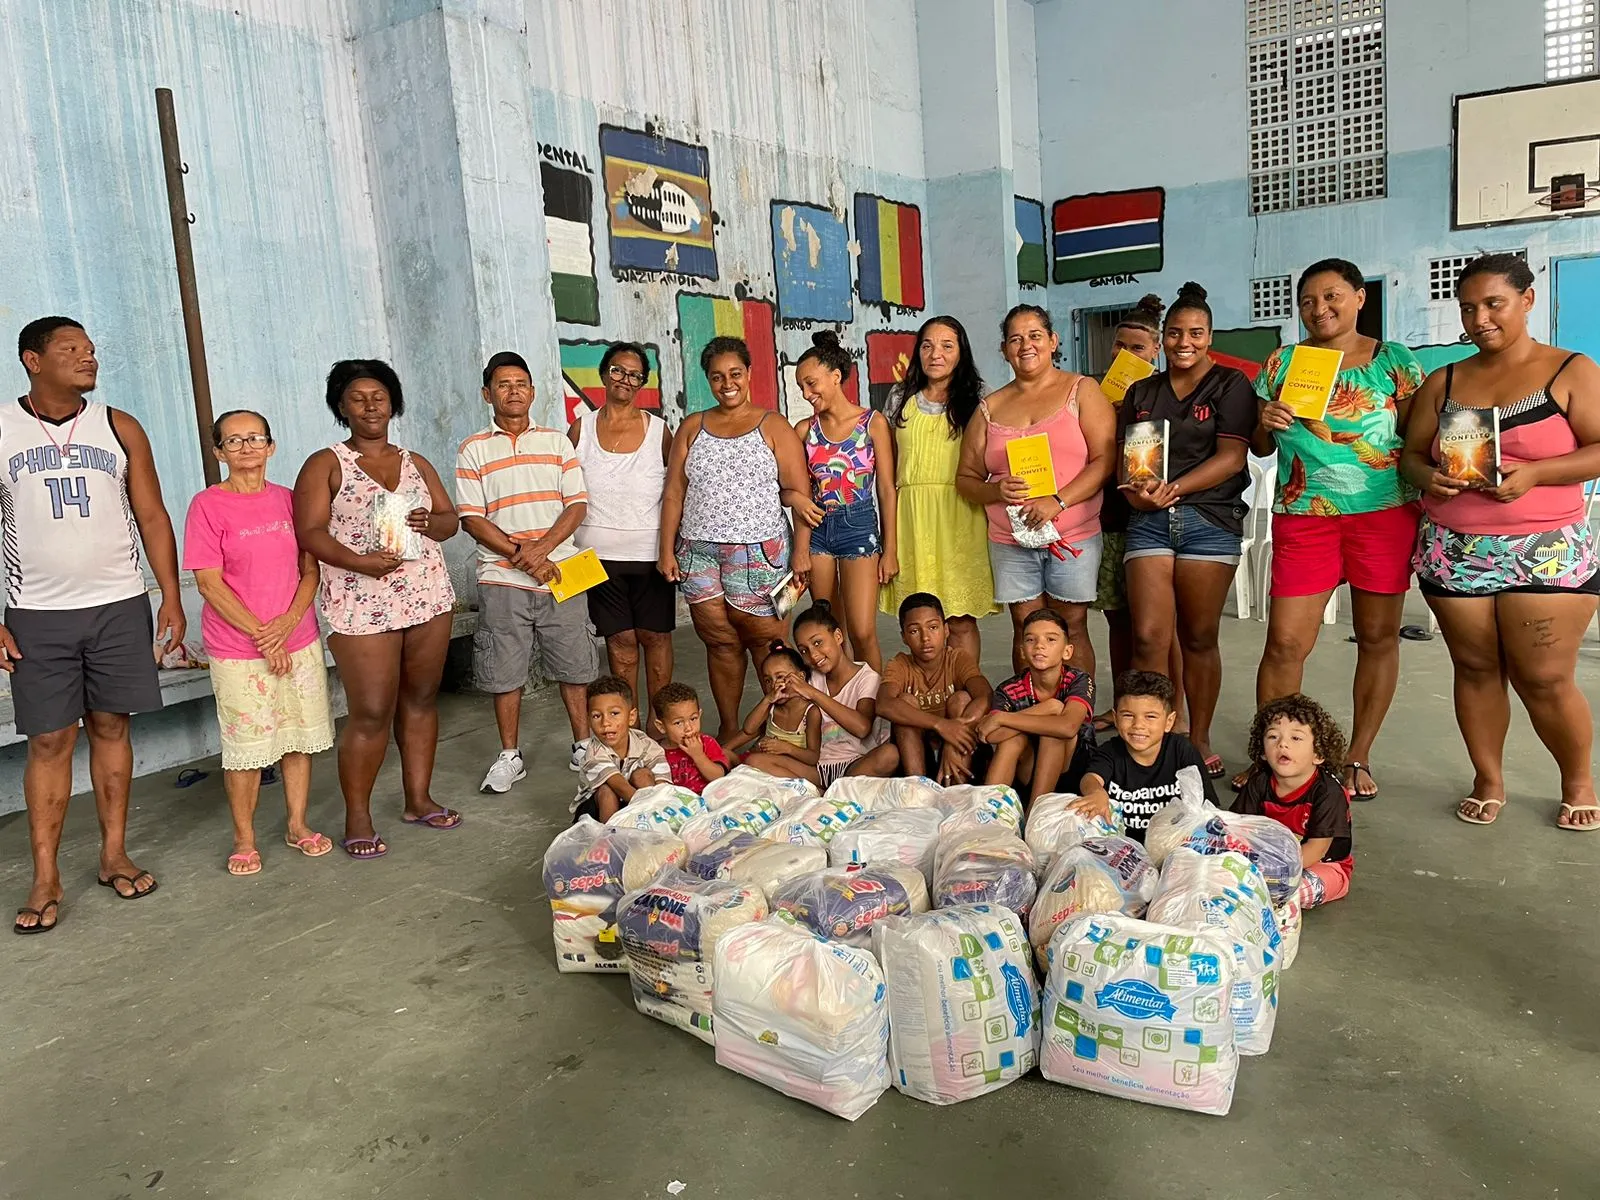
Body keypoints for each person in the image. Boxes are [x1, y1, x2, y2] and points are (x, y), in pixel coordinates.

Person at [1400, 253, 1600, 831]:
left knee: (1544, 677)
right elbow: (1412, 457)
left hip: (1546, 549)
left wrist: (1537, 473)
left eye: (1495, 303)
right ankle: (1488, 777)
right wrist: (1426, 476)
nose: (1480, 318)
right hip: (1455, 548)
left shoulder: (1570, 370)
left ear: (1528, 301)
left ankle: (1578, 779)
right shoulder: (1447, 380)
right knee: (1476, 666)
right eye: (1469, 308)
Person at [5, 317, 185, 932]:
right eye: (70, 350)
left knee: (112, 726)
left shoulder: (118, 425)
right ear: (32, 359)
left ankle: (113, 852)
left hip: (118, 604)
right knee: (51, 741)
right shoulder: (2, 429)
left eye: (90, 350)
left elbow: (153, 514)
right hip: (35, 613)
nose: (87, 358)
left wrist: (170, 594)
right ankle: (45, 874)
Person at [1244, 259, 1425, 800]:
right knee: (1284, 643)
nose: (1319, 309)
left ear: (1359, 298)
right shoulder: (1282, 363)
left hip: (1384, 514)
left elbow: (1417, 439)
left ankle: (1356, 756)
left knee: (1376, 639)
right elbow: (1258, 447)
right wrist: (1265, 422)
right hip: (1305, 515)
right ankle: (1271, 758)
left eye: (1332, 297)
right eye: (1307, 301)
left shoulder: (1393, 361)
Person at [293, 359, 460, 859]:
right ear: (341, 407)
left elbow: (451, 521)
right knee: (370, 711)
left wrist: (433, 521)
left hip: (426, 592)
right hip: (360, 599)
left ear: (393, 403)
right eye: (358, 398)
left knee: (421, 699)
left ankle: (417, 798)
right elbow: (310, 532)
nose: (370, 405)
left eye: (379, 396)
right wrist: (360, 563)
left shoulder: (416, 461)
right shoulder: (325, 463)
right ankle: (358, 816)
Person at [183, 410, 334, 875]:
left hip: (298, 638)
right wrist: (263, 636)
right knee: (245, 745)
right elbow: (209, 583)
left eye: (255, 438)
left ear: (271, 446)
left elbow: (311, 571)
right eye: (233, 441)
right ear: (218, 452)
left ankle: (297, 825)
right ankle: (244, 839)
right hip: (238, 648)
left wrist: (286, 626)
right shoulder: (207, 505)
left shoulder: (292, 500)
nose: (246, 447)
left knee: (297, 738)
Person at [1120, 283, 1256, 779]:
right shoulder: (1142, 392)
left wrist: (1172, 488)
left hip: (1210, 521)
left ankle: (1196, 737)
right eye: (1175, 333)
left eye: (1195, 333)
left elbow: (1231, 457)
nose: (1184, 342)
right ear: (1162, 337)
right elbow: (1133, 467)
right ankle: (1154, 736)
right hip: (1149, 523)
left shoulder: (1231, 384)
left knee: (1198, 636)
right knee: (1150, 636)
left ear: (1209, 336)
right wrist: (1141, 494)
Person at [658, 336, 818, 741]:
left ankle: (778, 733)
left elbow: (799, 495)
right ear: (707, 381)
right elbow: (675, 491)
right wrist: (666, 549)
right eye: (717, 377)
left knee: (768, 643)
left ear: (748, 374)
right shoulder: (693, 426)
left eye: (734, 374)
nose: (726, 383)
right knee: (720, 642)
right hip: (698, 552)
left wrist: (801, 552)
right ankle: (730, 731)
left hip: (761, 552)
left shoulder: (774, 426)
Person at [459, 350, 596, 794]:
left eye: (521, 383)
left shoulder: (557, 441)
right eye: (503, 384)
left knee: (575, 663)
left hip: (564, 570)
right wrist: (525, 554)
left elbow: (576, 505)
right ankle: (509, 755)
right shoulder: (473, 448)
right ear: (487, 393)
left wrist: (544, 549)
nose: (513, 391)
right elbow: (472, 518)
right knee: (505, 668)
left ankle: (583, 745)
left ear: (534, 391)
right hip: (501, 577)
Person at [957, 304, 1116, 677]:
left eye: (1034, 336)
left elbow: (1104, 461)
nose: (1025, 345)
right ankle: (1028, 715)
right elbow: (965, 479)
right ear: (1004, 349)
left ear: (1053, 341)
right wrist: (996, 492)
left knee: (1071, 628)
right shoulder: (989, 408)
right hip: (1011, 540)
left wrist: (1057, 501)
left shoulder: (1081, 390)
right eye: (1015, 339)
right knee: (1027, 632)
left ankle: (1077, 720)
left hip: (1071, 535)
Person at [1091, 297, 1185, 733]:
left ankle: (1171, 710)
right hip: (1108, 518)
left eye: (1138, 348)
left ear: (1157, 352)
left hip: (1154, 521)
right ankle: (1122, 704)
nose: (1126, 356)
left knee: (1163, 628)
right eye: (1119, 346)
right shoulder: (1094, 392)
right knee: (1118, 619)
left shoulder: (1161, 395)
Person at [567, 343, 675, 726]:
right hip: (594, 557)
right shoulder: (580, 428)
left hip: (650, 553)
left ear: (642, 382)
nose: (625, 380)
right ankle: (628, 727)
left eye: (634, 375)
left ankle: (660, 727)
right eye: (618, 371)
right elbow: (564, 490)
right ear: (603, 373)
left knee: (656, 639)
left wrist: (672, 548)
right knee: (620, 642)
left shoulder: (659, 431)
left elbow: (677, 490)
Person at [880, 315, 996, 665]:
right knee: (920, 619)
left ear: (961, 352)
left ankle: (964, 694)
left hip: (960, 516)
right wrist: (889, 543)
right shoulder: (901, 397)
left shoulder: (980, 398)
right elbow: (888, 471)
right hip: (912, 517)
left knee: (959, 619)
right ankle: (932, 698)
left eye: (947, 345)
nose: (936, 354)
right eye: (927, 345)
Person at [791, 331, 897, 671]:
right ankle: (839, 709)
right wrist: (801, 549)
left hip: (860, 527)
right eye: (801, 388)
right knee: (829, 629)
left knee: (863, 631)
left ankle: (875, 714)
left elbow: (886, 489)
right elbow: (799, 493)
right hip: (818, 529)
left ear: (835, 377)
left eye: (811, 384)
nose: (807, 394)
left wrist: (890, 549)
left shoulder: (872, 423)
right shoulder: (804, 431)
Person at [1232, 693, 1353, 908]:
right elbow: (1237, 826)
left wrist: (1274, 875)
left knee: (1295, 893)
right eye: (1273, 737)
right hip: (1266, 862)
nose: (1283, 745)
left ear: (1318, 753)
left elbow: (1316, 849)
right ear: (1262, 752)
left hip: (1323, 866)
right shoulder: (1259, 783)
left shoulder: (1329, 793)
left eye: (1296, 738)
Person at [1070, 670, 1217, 843]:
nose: (1138, 725)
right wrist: (1096, 792)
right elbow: (1091, 778)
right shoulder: (1110, 751)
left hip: (1174, 843)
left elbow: (1208, 808)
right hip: (1123, 847)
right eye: (1128, 715)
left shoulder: (1181, 750)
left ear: (1169, 722)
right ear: (1115, 719)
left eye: (1150, 717)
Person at [976, 608, 1094, 802]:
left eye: (1051, 639)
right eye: (1031, 640)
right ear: (1022, 651)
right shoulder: (1008, 689)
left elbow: (1068, 727)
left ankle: (1035, 810)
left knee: (1053, 731)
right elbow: (991, 735)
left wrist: (1002, 718)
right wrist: (1049, 708)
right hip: (1027, 770)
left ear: (1067, 651)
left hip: (1072, 768)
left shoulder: (1078, 680)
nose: (1040, 646)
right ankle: (990, 810)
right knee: (1014, 739)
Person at [875, 592, 992, 785]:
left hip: (961, 753)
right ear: (904, 637)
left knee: (961, 699)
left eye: (933, 627)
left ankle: (956, 786)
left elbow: (985, 695)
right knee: (904, 702)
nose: (925, 638)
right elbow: (884, 703)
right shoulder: (900, 664)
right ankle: (918, 787)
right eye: (914, 631)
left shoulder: (957, 658)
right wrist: (941, 725)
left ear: (946, 630)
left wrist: (953, 736)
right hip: (919, 752)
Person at [785, 600, 896, 784]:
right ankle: (829, 789)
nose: (813, 655)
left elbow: (862, 728)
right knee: (756, 761)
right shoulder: (812, 678)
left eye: (818, 643)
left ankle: (837, 788)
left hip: (855, 765)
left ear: (838, 636)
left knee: (889, 755)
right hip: (817, 768)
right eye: (804, 650)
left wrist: (813, 693)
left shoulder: (867, 678)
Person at [571, 676, 670, 821]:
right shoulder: (594, 752)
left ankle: (653, 827)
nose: (606, 723)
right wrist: (649, 811)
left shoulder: (645, 744)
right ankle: (609, 837)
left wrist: (662, 807)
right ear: (589, 720)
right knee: (607, 791)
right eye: (597, 716)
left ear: (631, 717)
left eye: (614, 714)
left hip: (634, 804)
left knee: (643, 775)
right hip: (595, 811)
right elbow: (620, 786)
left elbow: (662, 782)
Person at [725, 643, 821, 776]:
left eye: (780, 677)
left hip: (798, 769)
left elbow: (813, 757)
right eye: (768, 680)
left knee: (753, 761)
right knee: (726, 756)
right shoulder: (771, 707)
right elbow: (749, 729)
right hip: (765, 763)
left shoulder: (810, 712)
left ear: (800, 677)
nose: (775, 684)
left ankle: (810, 790)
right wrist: (768, 700)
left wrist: (786, 748)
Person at [651, 681, 729, 795]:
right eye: (678, 723)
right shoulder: (655, 751)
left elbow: (718, 777)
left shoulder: (707, 743)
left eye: (693, 719)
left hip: (710, 798)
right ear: (661, 726)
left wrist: (698, 755)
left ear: (700, 715)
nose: (688, 728)